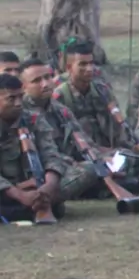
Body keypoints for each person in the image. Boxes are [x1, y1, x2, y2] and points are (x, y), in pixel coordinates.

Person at [20, 59, 105, 202]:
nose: (45, 84)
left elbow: (84, 142)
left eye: (47, 77)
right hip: (40, 174)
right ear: (24, 87)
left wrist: (101, 159)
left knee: (117, 160)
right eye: (36, 81)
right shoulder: (21, 114)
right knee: (90, 170)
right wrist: (72, 162)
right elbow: (42, 155)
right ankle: (41, 199)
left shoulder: (60, 110)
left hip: (63, 167)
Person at [0, 73, 66, 223]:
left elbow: (51, 154)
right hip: (6, 190)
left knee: (82, 172)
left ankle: (39, 202)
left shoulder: (33, 119)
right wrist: (19, 194)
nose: (18, 103)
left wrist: (48, 186)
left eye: (20, 97)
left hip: (34, 184)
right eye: (11, 98)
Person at [54, 44, 138, 154]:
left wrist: (132, 145)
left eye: (91, 63)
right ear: (69, 68)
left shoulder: (102, 90)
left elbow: (118, 122)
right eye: (83, 64)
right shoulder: (60, 96)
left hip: (109, 150)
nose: (89, 69)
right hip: (80, 154)